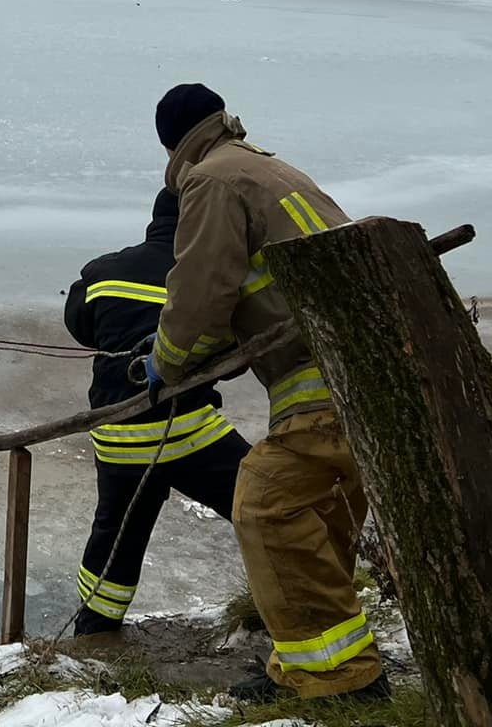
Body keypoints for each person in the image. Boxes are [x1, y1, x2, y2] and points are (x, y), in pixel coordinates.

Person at [140, 83, 387, 705]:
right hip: (368, 376)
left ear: (173, 144)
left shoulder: (212, 181)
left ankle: (338, 679)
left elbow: (200, 296)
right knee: (321, 518)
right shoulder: (269, 168)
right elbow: (258, 290)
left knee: (265, 506)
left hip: (323, 385)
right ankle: (312, 665)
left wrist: (165, 366)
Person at [64, 186, 251, 635]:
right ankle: (296, 605)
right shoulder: (209, 279)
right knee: (264, 507)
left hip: (117, 437)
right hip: (191, 433)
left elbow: (79, 325)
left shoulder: (102, 272)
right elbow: (232, 358)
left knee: (115, 535)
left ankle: (95, 627)